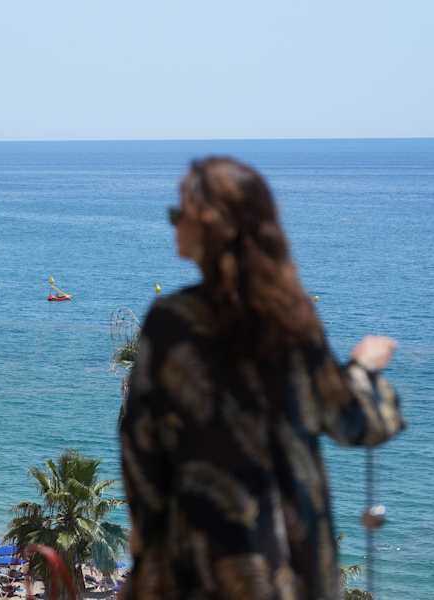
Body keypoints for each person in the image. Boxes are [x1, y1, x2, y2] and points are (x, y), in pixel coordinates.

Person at [120, 157, 404, 599]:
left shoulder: (171, 323)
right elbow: (351, 422)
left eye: (179, 214)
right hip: (291, 558)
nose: (172, 223)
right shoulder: (292, 321)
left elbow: (141, 450)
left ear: (210, 226)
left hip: (201, 560)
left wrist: (146, 558)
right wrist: (364, 368)